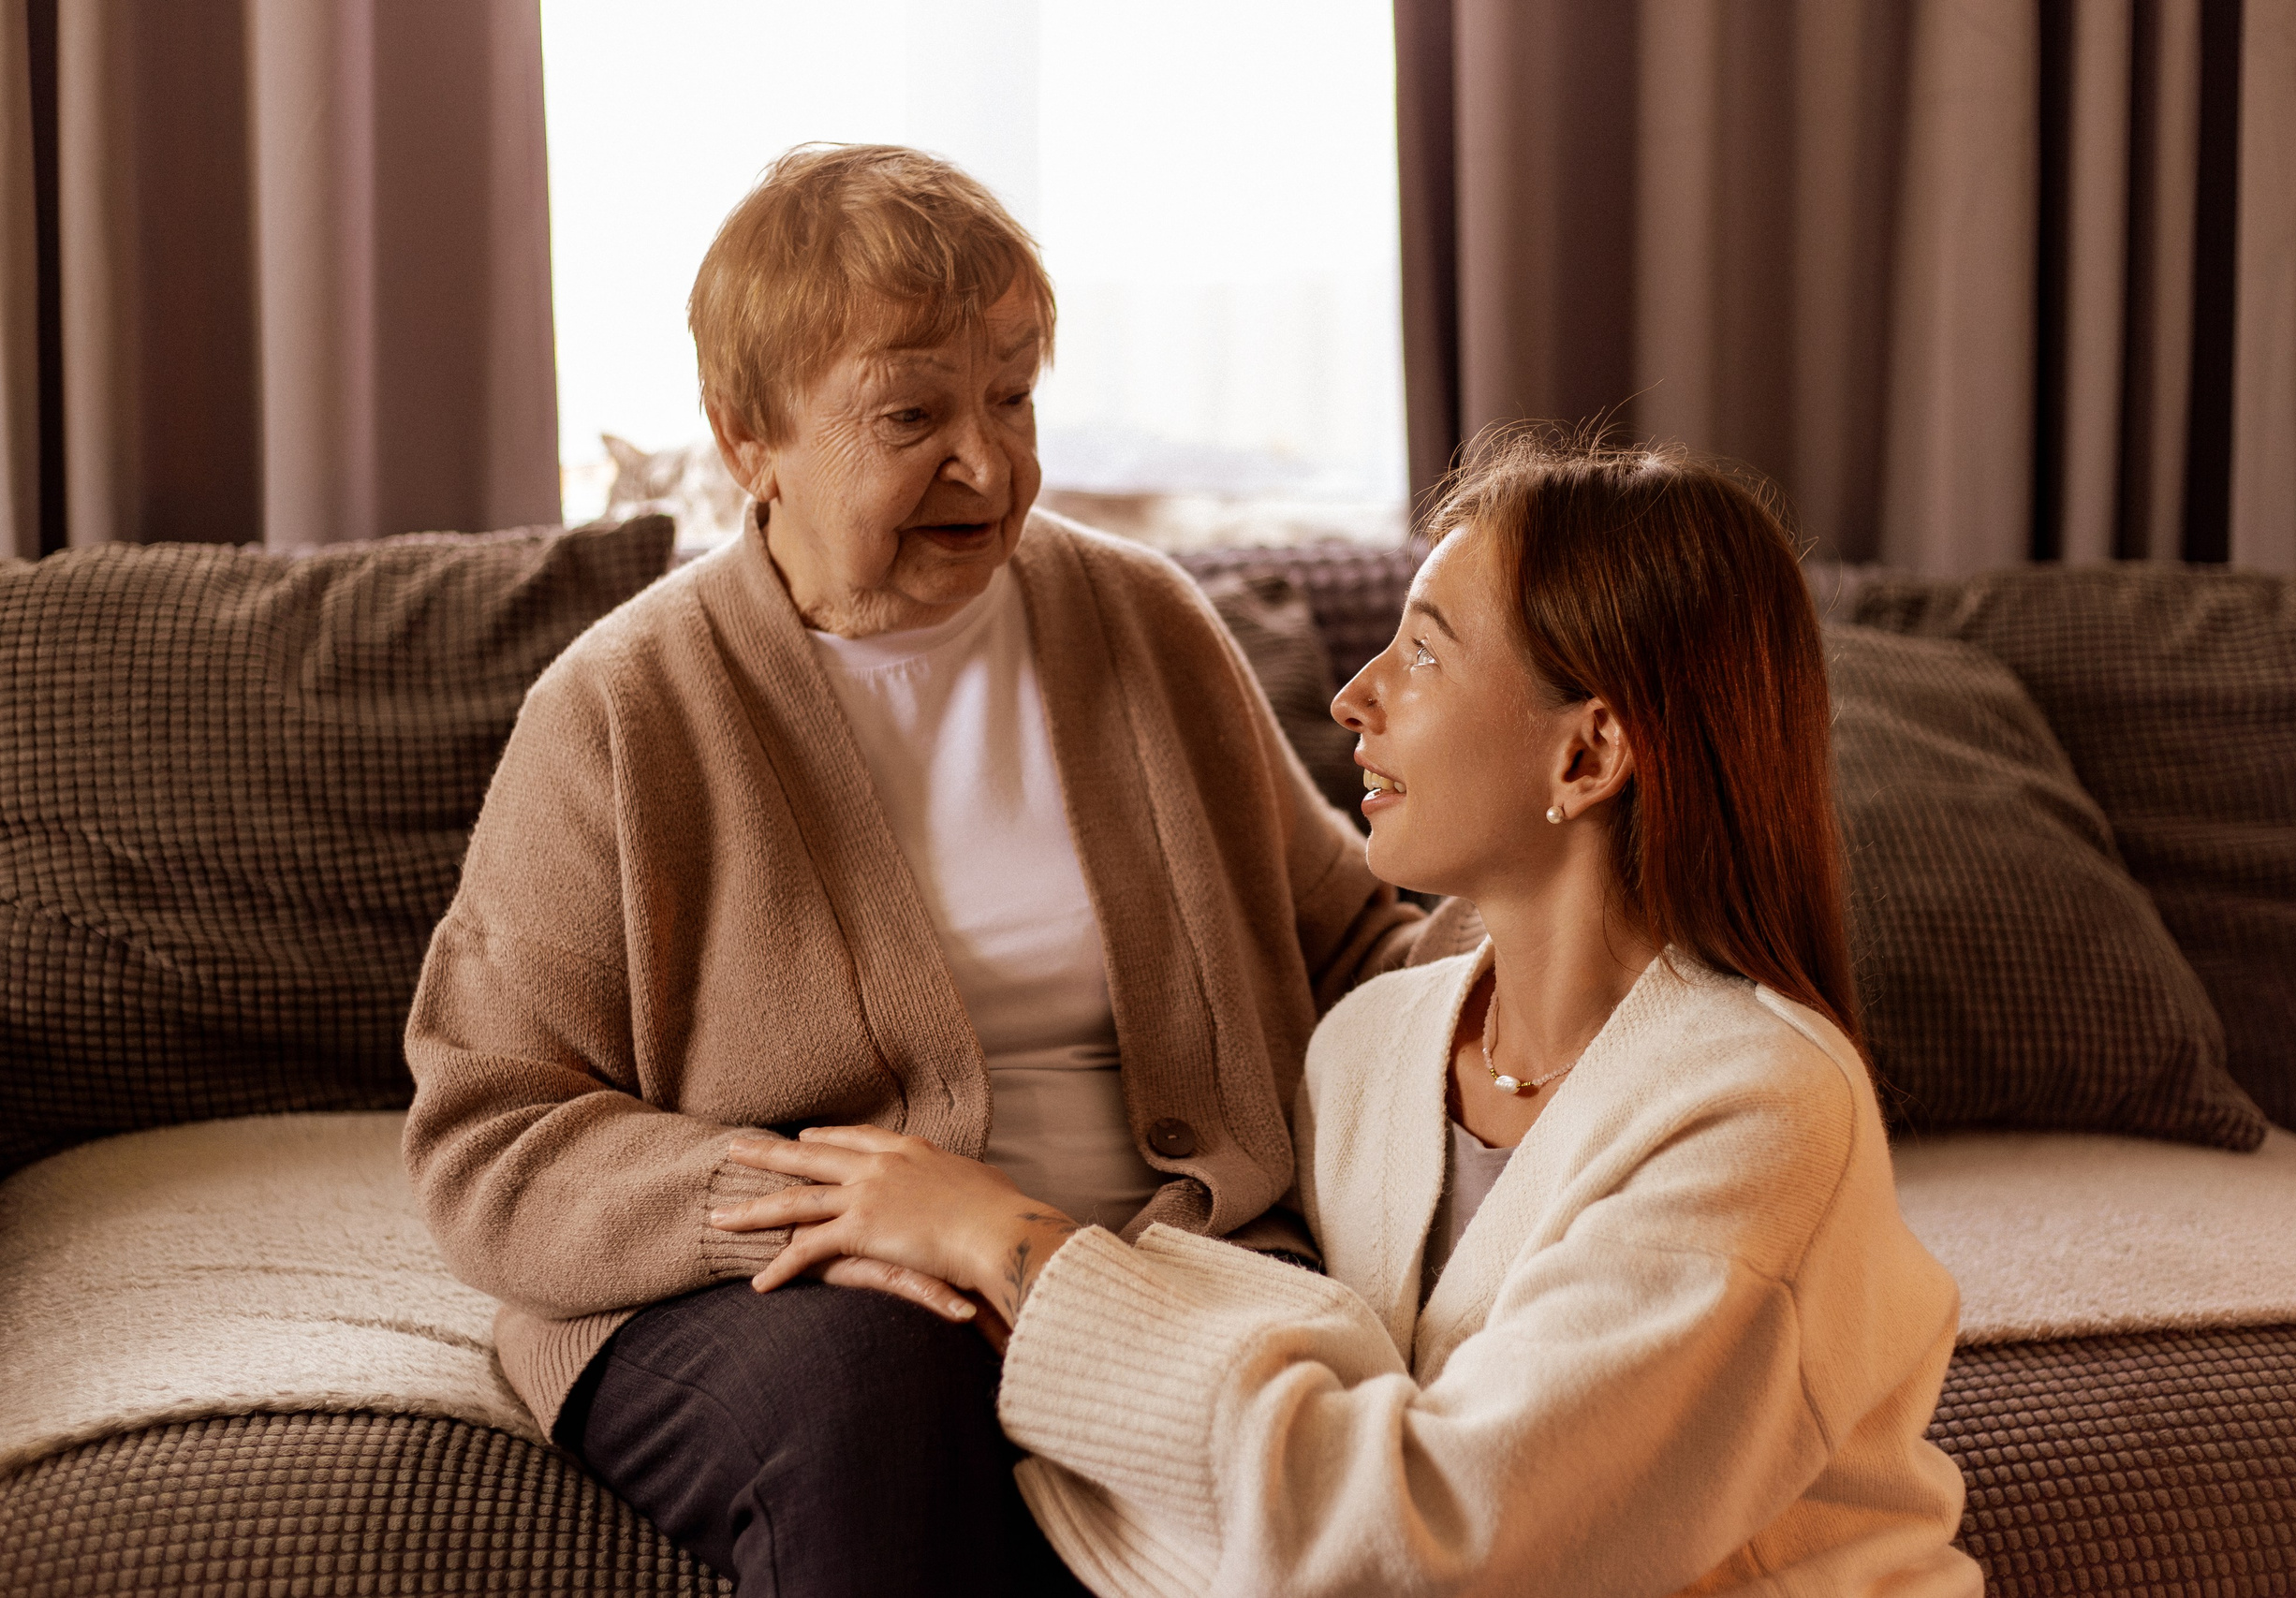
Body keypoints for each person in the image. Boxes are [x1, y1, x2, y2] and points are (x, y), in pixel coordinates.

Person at [402, 144, 1425, 1597]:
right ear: (746, 433)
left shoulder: (1140, 621)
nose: (990, 463)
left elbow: (1348, 951)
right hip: (781, 1303)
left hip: (1152, 1262)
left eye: (1012, 396)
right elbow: (485, 1138)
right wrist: (796, 1203)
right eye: (912, 413)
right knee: (885, 1391)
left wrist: (1580, 958)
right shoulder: (624, 710)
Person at [712, 433, 1985, 1596]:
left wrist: (1013, 1248)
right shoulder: (1374, 1052)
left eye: (1424, 652)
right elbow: (1322, 1450)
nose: (1354, 698)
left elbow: (1442, 1538)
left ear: (1585, 758)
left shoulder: (1762, 1114)